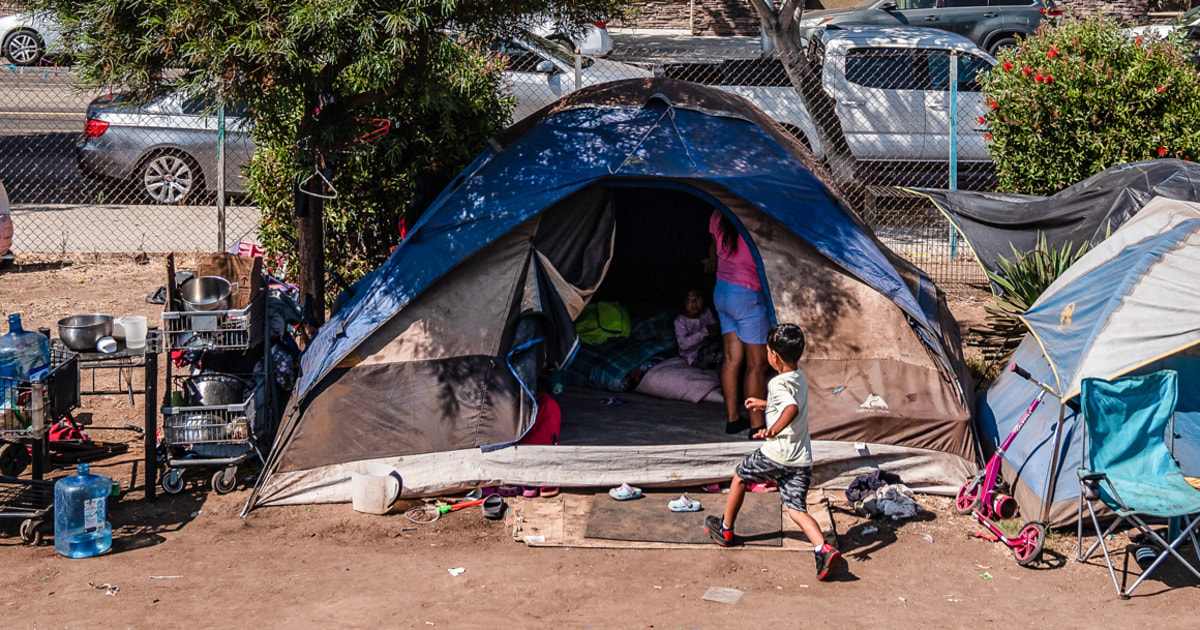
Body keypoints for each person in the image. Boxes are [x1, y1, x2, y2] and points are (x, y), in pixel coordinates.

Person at [704, 324, 842, 581]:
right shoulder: (799, 376)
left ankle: (725, 530)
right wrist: (764, 404)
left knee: (739, 477)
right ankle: (823, 548)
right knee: (796, 510)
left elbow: (790, 408)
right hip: (801, 459)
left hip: (777, 454)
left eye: (767, 350)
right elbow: (791, 402)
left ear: (774, 357)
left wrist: (772, 430)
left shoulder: (777, 382)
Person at [705, 210, 770, 434]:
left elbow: (713, 256)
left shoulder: (717, 214)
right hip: (747, 295)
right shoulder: (753, 213)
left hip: (722, 291)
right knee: (757, 364)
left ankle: (733, 419)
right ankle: (757, 425)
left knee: (732, 359)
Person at [674, 288, 723, 370]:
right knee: (719, 356)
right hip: (694, 357)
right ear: (683, 302)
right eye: (689, 299)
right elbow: (683, 344)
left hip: (708, 348)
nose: (694, 302)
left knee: (726, 350)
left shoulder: (706, 312)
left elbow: (714, 327)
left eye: (698, 298)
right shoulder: (680, 321)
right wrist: (705, 332)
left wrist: (714, 331)